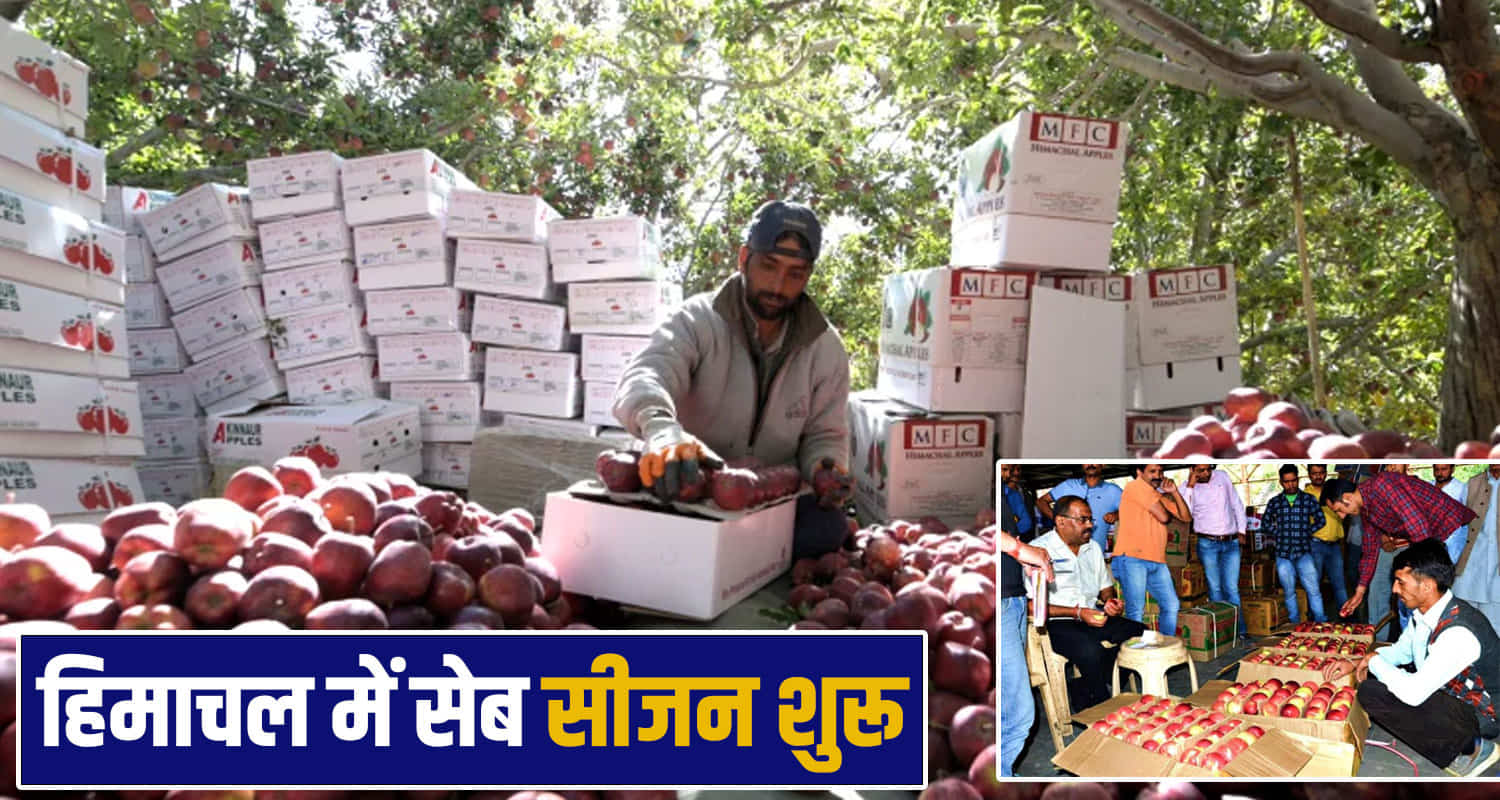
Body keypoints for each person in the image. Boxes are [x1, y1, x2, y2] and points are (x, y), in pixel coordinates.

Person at [612, 200, 853, 560]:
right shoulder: (696, 320)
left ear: (808, 275)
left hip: (766, 499)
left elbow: (825, 435)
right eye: (768, 266)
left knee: (826, 529)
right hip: (689, 485)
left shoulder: (825, 348)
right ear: (743, 258)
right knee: (636, 519)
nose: (777, 285)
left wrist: (825, 468)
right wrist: (662, 431)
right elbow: (646, 375)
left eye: (795, 274)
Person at [1323, 540, 1499, 777]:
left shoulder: (1458, 632)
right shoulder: (1425, 613)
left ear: (1426, 586)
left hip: (1483, 714)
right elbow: (1401, 652)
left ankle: (1475, 750)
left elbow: (1414, 694)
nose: (1395, 589)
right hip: (1453, 695)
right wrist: (1357, 662)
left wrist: (1374, 661)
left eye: (1400, 582)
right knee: (1380, 683)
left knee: (1375, 693)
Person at [1027, 496, 1146, 711]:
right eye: (1083, 520)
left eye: (1091, 519)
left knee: (1140, 632)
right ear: (1061, 521)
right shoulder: (1037, 551)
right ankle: (1101, 708)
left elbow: (1105, 588)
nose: (1090, 525)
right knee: (1090, 651)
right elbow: (1031, 605)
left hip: (1092, 615)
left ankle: (1091, 682)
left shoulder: (1093, 548)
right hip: (1056, 622)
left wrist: (1110, 601)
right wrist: (1078, 613)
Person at [1320, 470, 1477, 629]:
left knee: (1423, 595)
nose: (1341, 516)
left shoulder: (1382, 485)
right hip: (1426, 538)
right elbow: (1370, 552)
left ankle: (1430, 645)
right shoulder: (1366, 509)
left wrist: (1421, 571)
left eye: (1339, 510)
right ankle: (1407, 646)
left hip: (1448, 527)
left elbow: (1418, 526)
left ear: (1347, 498)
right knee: (1408, 598)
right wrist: (1360, 591)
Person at [1000, 519, 1054, 778]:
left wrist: (1017, 559)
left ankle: (1002, 771)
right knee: (1018, 712)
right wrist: (1019, 549)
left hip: (1013, 597)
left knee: (1004, 706)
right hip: (996, 601)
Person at [1112, 464, 1190, 637]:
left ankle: (1166, 646)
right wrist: (1165, 503)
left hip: (1156, 560)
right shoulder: (1135, 487)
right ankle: (1135, 657)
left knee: (1171, 605)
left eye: (1160, 472)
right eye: (1152, 472)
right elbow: (1164, 517)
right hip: (1132, 558)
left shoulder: (1156, 494)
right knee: (1135, 611)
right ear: (1139, 473)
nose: (1158, 476)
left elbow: (1186, 517)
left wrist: (1175, 492)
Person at [1180, 464, 1249, 642]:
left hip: (1231, 542)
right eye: (1200, 470)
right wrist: (1190, 485)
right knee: (1215, 588)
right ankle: (1222, 634)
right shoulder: (1185, 487)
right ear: (1192, 469)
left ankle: (1240, 631)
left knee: (1232, 589)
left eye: (1208, 469)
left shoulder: (1223, 477)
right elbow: (1185, 513)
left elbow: (1236, 503)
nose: (1206, 473)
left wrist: (1242, 530)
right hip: (1207, 544)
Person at [1260, 464, 1328, 624]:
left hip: (1304, 553)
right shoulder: (1275, 502)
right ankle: (1294, 625)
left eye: (1293, 481)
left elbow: (1321, 520)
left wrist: (1307, 531)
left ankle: (1321, 623)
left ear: (1298, 479)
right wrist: (1279, 532)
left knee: (1314, 590)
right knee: (1289, 591)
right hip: (1283, 554)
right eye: (1287, 482)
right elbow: (1265, 524)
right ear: (1281, 482)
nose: (1291, 485)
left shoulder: (1308, 499)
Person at [1454, 464, 1500, 636]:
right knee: (1463, 621)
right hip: (1471, 565)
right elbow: (1459, 525)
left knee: (1495, 625)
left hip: (1496, 570)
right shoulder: (1473, 483)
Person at [1038, 464, 1123, 551]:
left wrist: (1116, 515)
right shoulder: (1068, 485)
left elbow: (1132, 510)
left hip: (1096, 553)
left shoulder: (1113, 491)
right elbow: (1041, 502)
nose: (1090, 464)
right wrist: (1058, 520)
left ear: (1103, 464)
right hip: (1065, 552)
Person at [1302, 464, 1349, 615]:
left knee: (1340, 584)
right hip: (1315, 545)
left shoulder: (1334, 491)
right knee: (1314, 586)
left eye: (1321, 473)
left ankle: (1347, 617)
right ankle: (1315, 620)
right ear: (1309, 474)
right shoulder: (1304, 496)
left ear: (1325, 473)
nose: (1318, 476)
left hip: (1335, 546)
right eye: (1314, 473)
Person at [1434, 464, 1471, 566]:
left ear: (1452, 469)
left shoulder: (1462, 488)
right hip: (1432, 541)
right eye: (1436, 469)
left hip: (1453, 541)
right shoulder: (1428, 486)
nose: (1439, 473)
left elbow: (1466, 519)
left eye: (1444, 469)